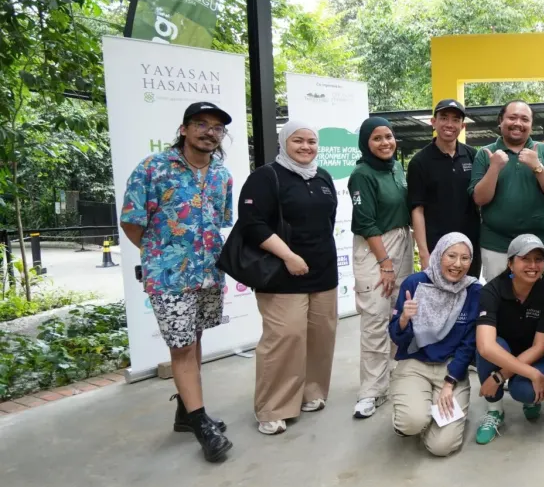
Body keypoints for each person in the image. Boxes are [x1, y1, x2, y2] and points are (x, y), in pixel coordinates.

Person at [120, 101, 234, 462]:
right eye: (200, 124)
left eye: (216, 127)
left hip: (208, 272)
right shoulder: (153, 169)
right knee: (182, 348)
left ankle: (186, 413)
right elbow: (131, 221)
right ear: (184, 129)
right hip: (169, 277)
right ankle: (202, 426)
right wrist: (159, 255)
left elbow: (220, 220)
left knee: (195, 339)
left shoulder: (222, 175)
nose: (209, 132)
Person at [237, 121, 338, 436]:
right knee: (285, 338)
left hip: (323, 272)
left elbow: (328, 220)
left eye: (312, 141)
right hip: (282, 274)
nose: (306, 147)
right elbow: (252, 223)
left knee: (321, 336)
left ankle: (312, 391)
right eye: (298, 141)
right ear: (284, 142)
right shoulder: (266, 178)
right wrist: (289, 256)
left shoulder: (323, 177)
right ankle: (273, 407)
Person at [388, 232, 480, 457]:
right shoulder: (415, 283)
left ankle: (434, 413)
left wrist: (450, 383)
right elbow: (397, 338)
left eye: (465, 258)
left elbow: (469, 345)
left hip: (450, 370)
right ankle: (416, 413)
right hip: (414, 364)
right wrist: (403, 320)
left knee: (442, 447)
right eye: (451, 256)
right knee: (411, 423)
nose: (458, 264)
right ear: (439, 255)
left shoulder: (474, 291)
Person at [349, 116, 414, 420]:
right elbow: (365, 222)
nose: (385, 143)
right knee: (375, 316)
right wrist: (385, 263)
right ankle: (370, 390)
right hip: (376, 249)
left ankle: (389, 376)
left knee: (397, 314)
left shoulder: (397, 168)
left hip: (401, 242)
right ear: (366, 143)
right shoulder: (362, 174)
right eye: (377, 138)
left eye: (388, 136)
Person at [473, 234, 544, 445]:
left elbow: (540, 346)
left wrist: (498, 377)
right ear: (510, 263)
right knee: (492, 348)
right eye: (525, 259)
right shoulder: (491, 291)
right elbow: (486, 347)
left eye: (538, 259)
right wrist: (531, 374)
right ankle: (494, 411)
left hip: (535, 353)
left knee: (525, 392)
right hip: (503, 351)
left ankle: (529, 400)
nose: (533, 265)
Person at [468, 100, 544, 283]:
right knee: (500, 303)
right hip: (497, 245)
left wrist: (537, 166)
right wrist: (494, 167)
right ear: (500, 121)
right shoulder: (486, 153)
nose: (518, 123)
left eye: (524, 119)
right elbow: (479, 198)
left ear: (531, 125)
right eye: (512, 117)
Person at [407, 99, 481, 278]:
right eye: (444, 118)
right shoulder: (420, 162)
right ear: (433, 122)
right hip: (437, 247)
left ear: (462, 126)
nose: (449, 124)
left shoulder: (472, 155)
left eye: (455, 120)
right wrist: (424, 254)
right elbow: (417, 210)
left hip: (469, 246)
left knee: (468, 298)